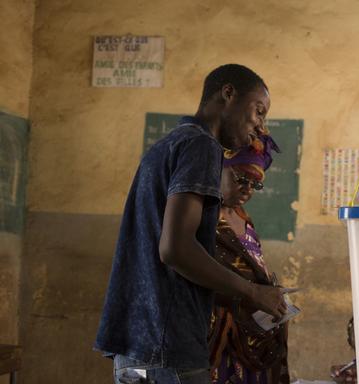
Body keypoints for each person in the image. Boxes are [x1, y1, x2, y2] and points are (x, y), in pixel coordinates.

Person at [95, 64, 287, 384]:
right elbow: (176, 249)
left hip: (138, 343)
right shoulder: (202, 146)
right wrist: (252, 292)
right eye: (258, 111)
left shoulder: (170, 144)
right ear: (228, 93)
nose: (260, 127)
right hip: (168, 345)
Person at [208, 133, 290, 383]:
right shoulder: (201, 218)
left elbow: (253, 269)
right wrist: (249, 293)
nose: (247, 189)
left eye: (255, 184)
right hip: (217, 339)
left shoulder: (245, 220)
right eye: (241, 178)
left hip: (254, 338)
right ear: (217, 170)